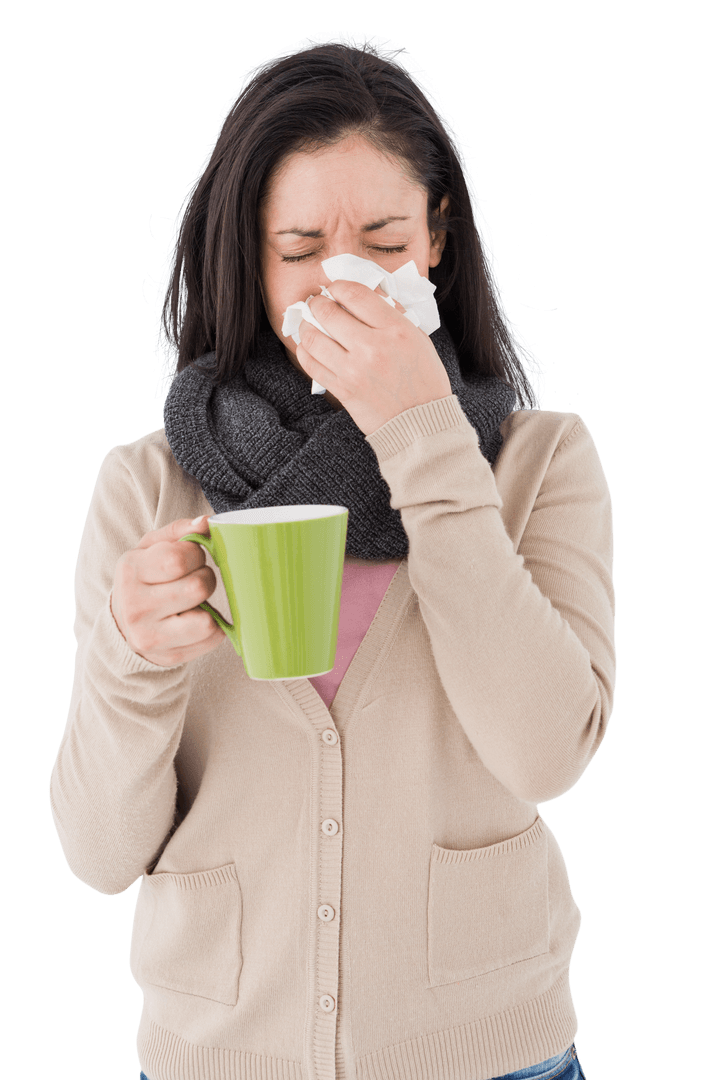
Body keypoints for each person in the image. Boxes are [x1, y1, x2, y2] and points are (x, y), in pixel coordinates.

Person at [50, 33, 612, 1080]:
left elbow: (547, 754)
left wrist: (425, 436)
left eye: (385, 240)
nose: (342, 280)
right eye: (302, 250)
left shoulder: (541, 462)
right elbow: (98, 854)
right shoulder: (147, 485)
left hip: (487, 1058)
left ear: (437, 239)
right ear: (251, 259)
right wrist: (130, 657)